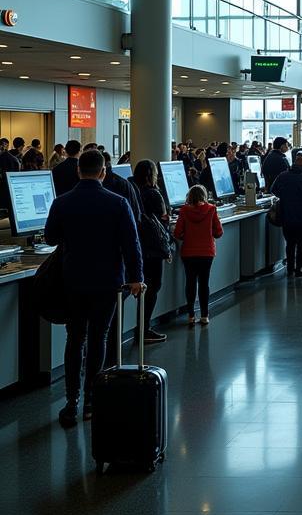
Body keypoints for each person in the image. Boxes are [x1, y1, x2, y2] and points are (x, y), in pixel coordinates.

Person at [45, 149, 144, 427]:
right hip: (108, 282)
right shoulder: (118, 202)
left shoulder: (62, 202)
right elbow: (131, 243)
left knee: (75, 337)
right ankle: (91, 399)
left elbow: (51, 236)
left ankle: (71, 400)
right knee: (99, 337)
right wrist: (136, 277)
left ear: (78, 171)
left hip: (73, 279)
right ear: (103, 172)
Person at [129, 160, 172, 344]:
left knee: (142, 287)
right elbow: (163, 219)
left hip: (138, 247)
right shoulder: (154, 194)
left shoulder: (132, 190)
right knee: (153, 288)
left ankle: (140, 328)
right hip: (153, 249)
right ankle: (144, 329)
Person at [173, 184, 223, 325]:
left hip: (188, 252)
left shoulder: (183, 211)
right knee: (203, 283)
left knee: (190, 283)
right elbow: (219, 232)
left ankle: (190, 316)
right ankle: (204, 316)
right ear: (204, 196)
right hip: (207, 252)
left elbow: (177, 233)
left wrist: (187, 237)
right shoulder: (212, 210)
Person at [271, 151, 302, 277]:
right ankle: (299, 268)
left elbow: (273, 190)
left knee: (290, 243)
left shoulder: (283, 175)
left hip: (286, 215)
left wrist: (284, 197)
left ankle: (290, 267)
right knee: (301, 244)